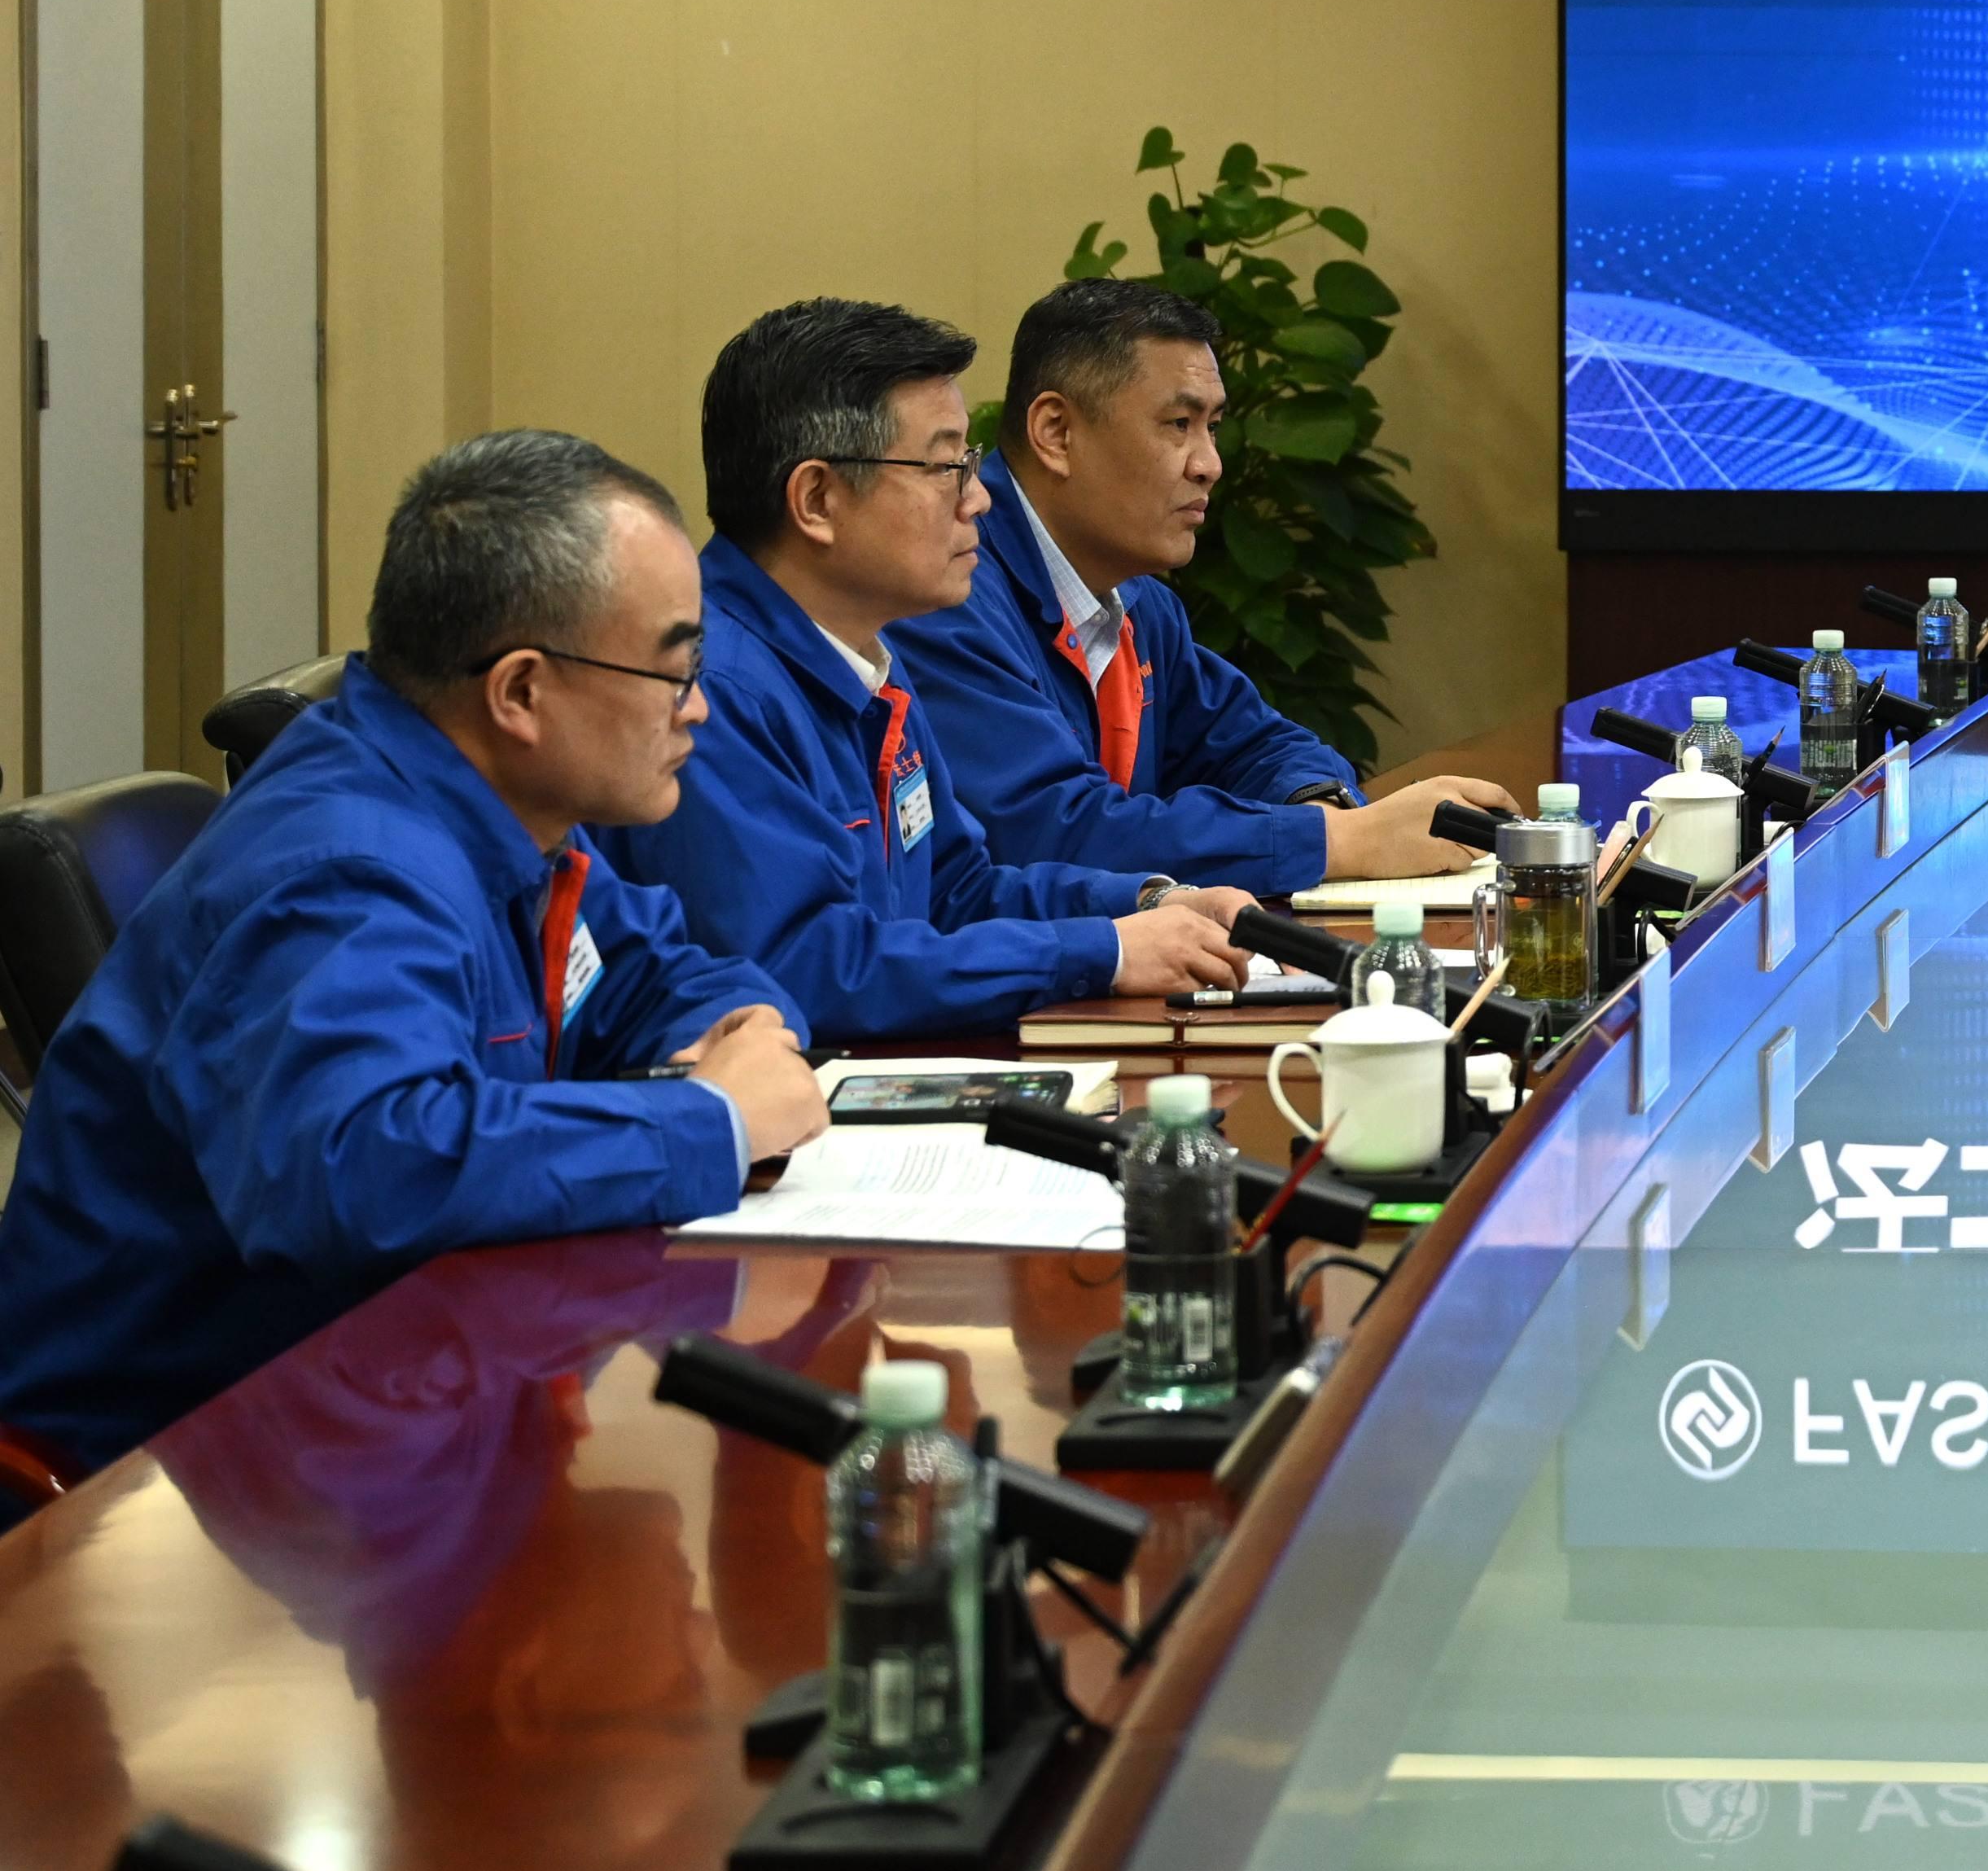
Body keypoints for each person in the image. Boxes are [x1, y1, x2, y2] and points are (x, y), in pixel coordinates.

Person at [0, 433, 830, 1488]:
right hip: (147, 1482)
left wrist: (740, 1031)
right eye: (674, 669)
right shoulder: (348, 869)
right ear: (520, 691)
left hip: (369, 1409)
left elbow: (655, 965)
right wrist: (710, 1119)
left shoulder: (502, 807)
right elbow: (365, 1168)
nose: (698, 706)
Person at [605, 300, 1249, 1045]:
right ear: (817, 500)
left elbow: (956, 893)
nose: (978, 497)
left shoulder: (869, 656)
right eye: (946, 467)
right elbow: (807, 969)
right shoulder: (713, 693)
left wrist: (1146, 903)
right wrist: (1100, 951)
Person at [900, 279, 1510, 895]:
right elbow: (1053, 832)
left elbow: (1257, 746)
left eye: (1212, 426)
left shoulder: (1138, 600)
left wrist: (1321, 808)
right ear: (1056, 432)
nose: (1210, 464)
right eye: (1178, 423)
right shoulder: (945, 596)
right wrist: (1340, 841)